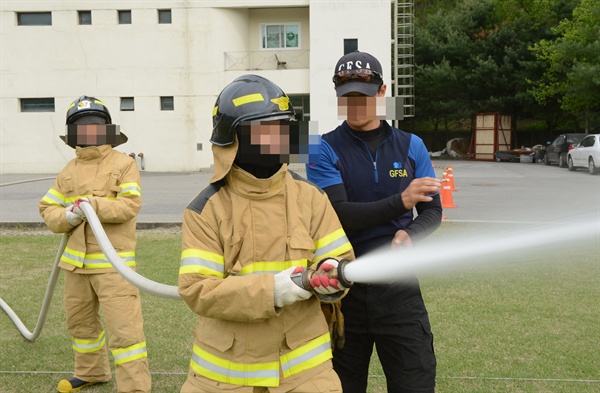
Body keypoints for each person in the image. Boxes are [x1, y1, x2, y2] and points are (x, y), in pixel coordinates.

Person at [178, 74, 355, 393]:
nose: (277, 141)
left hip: (304, 373)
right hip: (226, 376)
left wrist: (332, 278)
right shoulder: (206, 209)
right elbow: (197, 289)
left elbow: (339, 259)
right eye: (264, 132)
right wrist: (273, 290)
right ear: (233, 141)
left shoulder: (311, 197)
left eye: (282, 129)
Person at [306, 51, 443, 393]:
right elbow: (340, 212)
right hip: (343, 289)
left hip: (399, 290)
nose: (355, 105)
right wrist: (401, 201)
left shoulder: (412, 146)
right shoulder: (322, 149)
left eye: (363, 97)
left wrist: (410, 235)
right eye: (347, 97)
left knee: (415, 383)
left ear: (382, 92)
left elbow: (432, 211)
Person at [39, 96, 151, 393]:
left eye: (94, 125)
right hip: (76, 266)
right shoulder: (69, 170)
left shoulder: (124, 164)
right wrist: (68, 216)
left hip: (114, 266)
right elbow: (47, 209)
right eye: (81, 126)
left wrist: (93, 206)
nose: (88, 131)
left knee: (124, 330)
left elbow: (129, 205)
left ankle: (134, 388)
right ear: (72, 132)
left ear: (106, 128)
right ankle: (91, 372)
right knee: (81, 325)